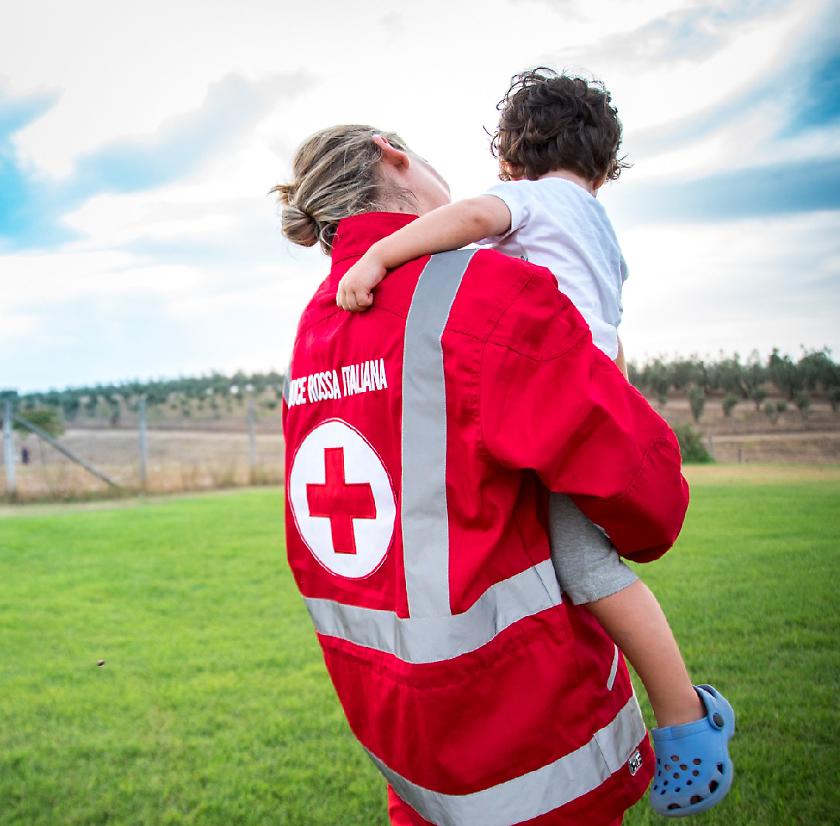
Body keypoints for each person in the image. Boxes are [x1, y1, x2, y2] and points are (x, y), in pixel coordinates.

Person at [273, 123, 729, 826]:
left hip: (402, 739)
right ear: (393, 153)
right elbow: (650, 503)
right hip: (532, 739)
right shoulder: (481, 289)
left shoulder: (316, 325)